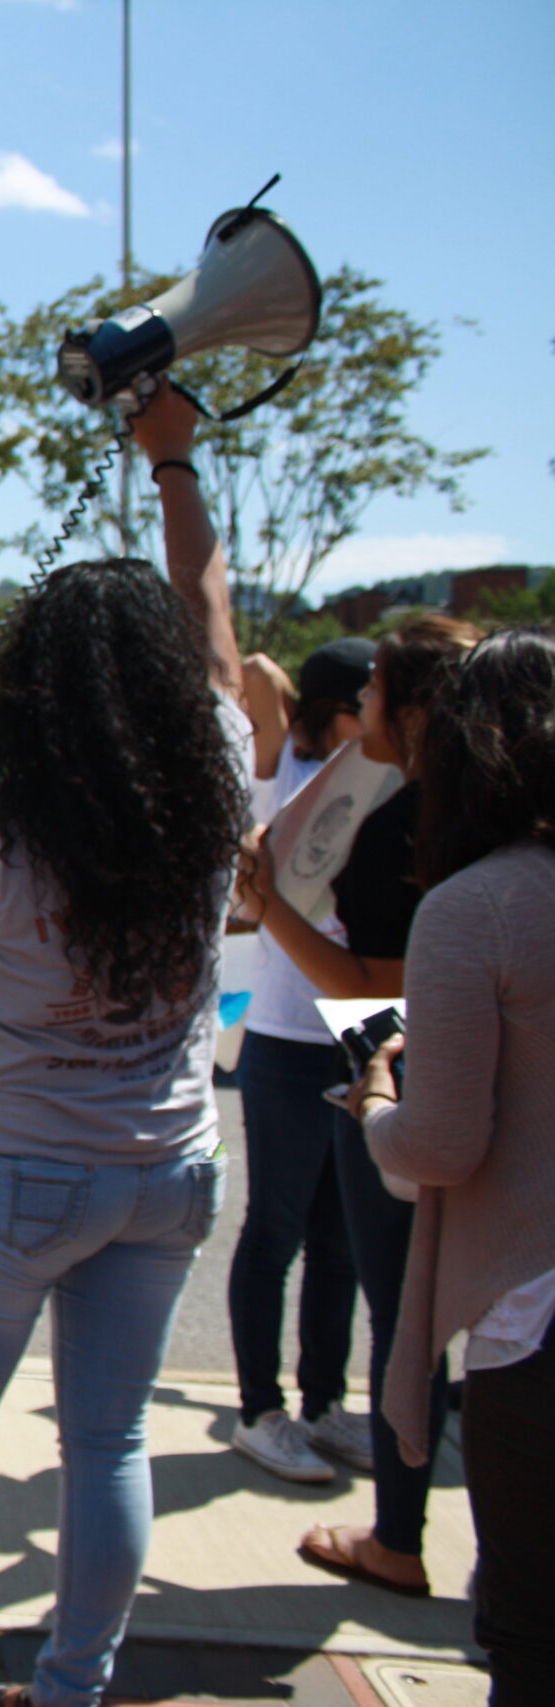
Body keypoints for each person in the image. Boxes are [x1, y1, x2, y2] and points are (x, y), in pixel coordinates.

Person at [0, 384, 251, 1707]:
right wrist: (174, 463)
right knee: (106, 1439)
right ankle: (73, 1687)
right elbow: (221, 635)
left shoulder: (4, 824)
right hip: (173, 1165)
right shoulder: (221, 778)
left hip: (16, 1170)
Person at [240, 612, 481, 1597]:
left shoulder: (402, 824)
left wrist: (274, 907)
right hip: (460, 1073)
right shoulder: (480, 807)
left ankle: (396, 1537)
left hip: (402, 1080)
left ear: (413, 710)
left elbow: (373, 975)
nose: (360, 707)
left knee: (401, 1306)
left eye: (376, 690)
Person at [347, 625, 555, 1702]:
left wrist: (379, 1099)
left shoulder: (475, 906)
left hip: (534, 1320)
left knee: (523, 1632)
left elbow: (438, 1147)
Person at [223, 639, 377, 1483]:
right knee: (276, 1228)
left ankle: (324, 1402)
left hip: (360, 1037)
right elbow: (252, 672)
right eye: (365, 698)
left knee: (341, 1239)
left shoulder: (389, 791)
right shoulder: (287, 779)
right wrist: (289, 680)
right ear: (331, 711)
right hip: (286, 1039)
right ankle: (259, 1410)